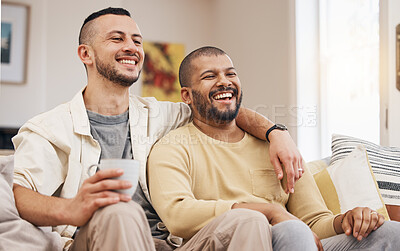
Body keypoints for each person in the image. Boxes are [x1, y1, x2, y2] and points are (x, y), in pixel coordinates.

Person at [11, 7, 304, 251]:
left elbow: (219, 107)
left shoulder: (161, 114)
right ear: (85, 54)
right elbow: (19, 194)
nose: (131, 47)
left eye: (137, 41)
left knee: (247, 219)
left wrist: (276, 132)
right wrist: (72, 209)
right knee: (120, 210)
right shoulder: (49, 128)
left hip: (170, 245)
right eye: (117, 39)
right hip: (97, 238)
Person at [147, 46, 400, 251]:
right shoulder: (173, 147)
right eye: (209, 76)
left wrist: (344, 220)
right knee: (290, 229)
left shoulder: (278, 148)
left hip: (294, 240)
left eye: (230, 74)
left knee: (389, 232)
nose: (224, 82)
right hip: (221, 243)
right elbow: (177, 216)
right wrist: (270, 212)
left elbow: (313, 221)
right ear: (187, 95)